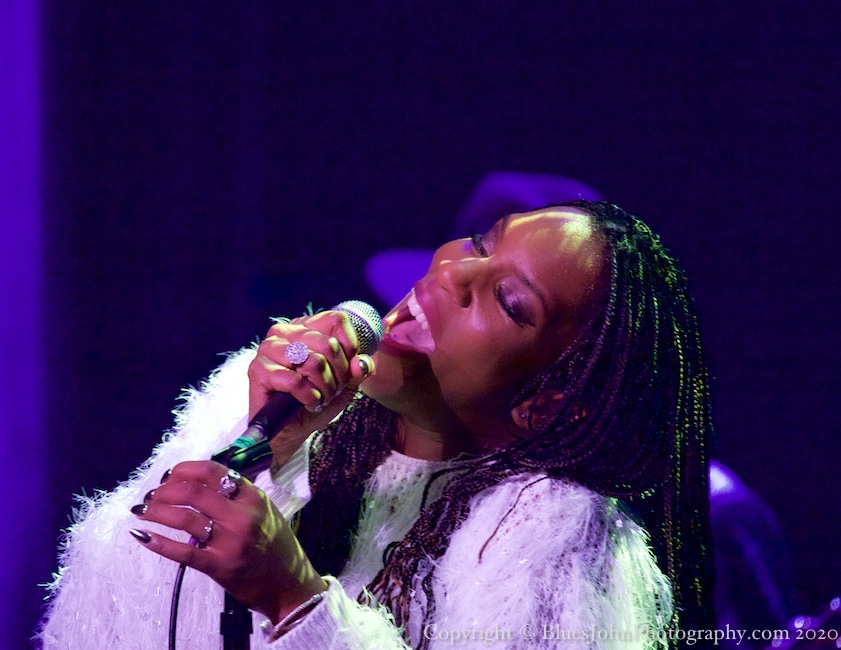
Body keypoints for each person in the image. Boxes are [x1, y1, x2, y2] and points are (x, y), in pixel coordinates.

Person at [39, 201, 714, 649]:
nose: (452, 271)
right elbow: (102, 619)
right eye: (480, 242)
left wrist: (296, 602)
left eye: (510, 301)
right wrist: (265, 447)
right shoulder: (293, 421)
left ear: (548, 401)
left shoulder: (556, 536)